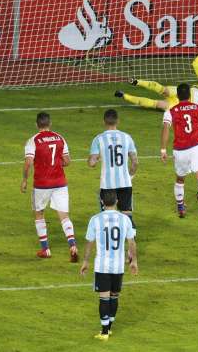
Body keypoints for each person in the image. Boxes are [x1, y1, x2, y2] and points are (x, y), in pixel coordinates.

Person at [80, 190, 138, 341]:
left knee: (104, 297)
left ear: (102, 202)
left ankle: (104, 332)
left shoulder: (95, 219)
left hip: (102, 266)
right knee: (114, 296)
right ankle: (109, 328)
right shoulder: (125, 219)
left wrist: (85, 261)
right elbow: (131, 242)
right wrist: (134, 261)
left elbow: (89, 243)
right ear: (117, 201)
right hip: (118, 266)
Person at [21, 112, 78, 261]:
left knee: (39, 213)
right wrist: (56, 164)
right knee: (64, 215)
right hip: (60, 182)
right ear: (49, 124)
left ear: (37, 124)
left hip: (41, 184)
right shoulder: (60, 138)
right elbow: (67, 161)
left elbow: (28, 162)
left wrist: (24, 180)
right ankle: (72, 245)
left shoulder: (33, 141)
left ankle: (45, 249)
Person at [160, 83, 198, 217]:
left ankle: (181, 208)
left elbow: (166, 129)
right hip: (197, 147)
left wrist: (163, 150)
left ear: (177, 96)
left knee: (180, 179)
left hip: (180, 150)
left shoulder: (171, 111)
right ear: (190, 95)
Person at [88, 109, 138, 233]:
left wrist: (96, 157)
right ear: (118, 121)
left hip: (107, 184)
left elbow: (92, 163)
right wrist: (130, 175)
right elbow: (135, 162)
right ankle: (132, 240)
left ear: (104, 121)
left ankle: (109, 237)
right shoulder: (127, 137)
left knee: (107, 214)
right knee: (127, 213)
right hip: (125, 182)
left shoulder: (98, 139)